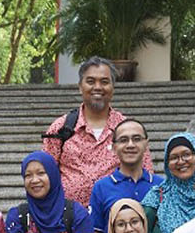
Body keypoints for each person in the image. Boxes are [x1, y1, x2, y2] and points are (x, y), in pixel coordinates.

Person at [40, 56, 146, 208]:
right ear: (80, 86)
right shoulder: (61, 127)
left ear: (113, 87)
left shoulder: (127, 129)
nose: (98, 87)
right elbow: (44, 173)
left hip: (118, 222)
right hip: (70, 221)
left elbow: (145, 172)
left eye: (104, 82)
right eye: (90, 81)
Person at [89, 118, 162, 233]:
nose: (130, 145)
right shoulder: (101, 187)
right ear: (114, 147)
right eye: (123, 140)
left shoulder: (161, 186)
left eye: (137, 139)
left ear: (146, 144)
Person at [141, 133, 195, 233]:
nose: (181, 161)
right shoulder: (157, 197)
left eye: (186, 155)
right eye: (174, 157)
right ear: (167, 163)